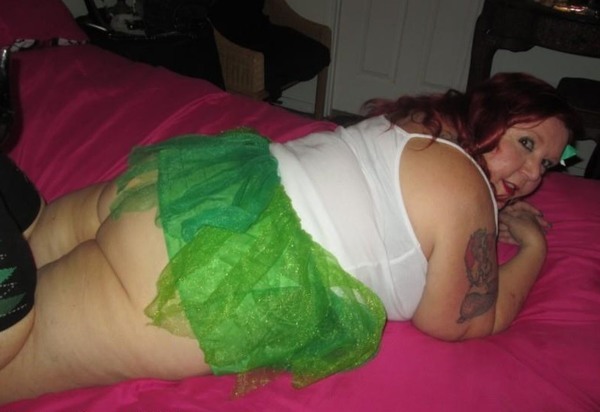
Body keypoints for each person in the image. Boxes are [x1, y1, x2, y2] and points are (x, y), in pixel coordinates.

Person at [0, 69, 582, 403]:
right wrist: (535, 247)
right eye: (526, 143)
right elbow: (462, 320)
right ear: (490, 114)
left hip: (193, 185)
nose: (532, 174)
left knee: (34, 236)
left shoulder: (419, 123)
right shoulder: (467, 193)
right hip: (213, 272)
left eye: (547, 165)